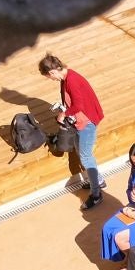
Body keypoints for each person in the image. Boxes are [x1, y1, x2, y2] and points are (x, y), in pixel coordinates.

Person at [39, 52, 104, 207]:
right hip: (80, 121)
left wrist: (64, 114)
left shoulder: (71, 81)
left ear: (52, 72)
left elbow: (79, 106)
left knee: (86, 156)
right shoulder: (67, 78)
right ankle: (98, 180)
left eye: (50, 77)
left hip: (86, 122)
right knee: (81, 152)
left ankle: (96, 194)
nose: (51, 80)